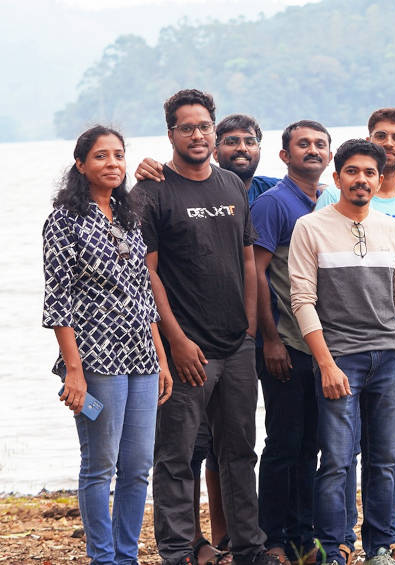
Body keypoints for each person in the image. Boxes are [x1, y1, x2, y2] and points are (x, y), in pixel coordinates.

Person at [132, 89, 279, 565]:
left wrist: (252, 329)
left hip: (236, 346)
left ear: (212, 131)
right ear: (171, 133)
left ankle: (248, 548)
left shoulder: (232, 186)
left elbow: (245, 257)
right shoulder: (151, 192)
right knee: (175, 457)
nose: (197, 135)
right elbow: (147, 272)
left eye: (203, 127)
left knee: (239, 452)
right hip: (187, 349)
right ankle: (178, 551)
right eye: (186, 127)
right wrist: (175, 341)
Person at [288, 138, 395, 565]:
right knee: (336, 459)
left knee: (385, 459)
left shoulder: (392, 231)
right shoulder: (310, 228)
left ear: (382, 178)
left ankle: (380, 547)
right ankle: (334, 547)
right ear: (337, 178)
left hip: (390, 357)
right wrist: (326, 363)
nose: (362, 179)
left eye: (370, 172)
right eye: (353, 171)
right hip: (340, 359)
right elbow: (302, 300)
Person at [43, 125, 172, 565]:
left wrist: (160, 356)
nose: (113, 163)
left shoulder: (128, 215)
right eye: (101, 156)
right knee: (99, 465)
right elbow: (57, 300)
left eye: (119, 155)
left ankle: (126, 555)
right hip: (96, 357)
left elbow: (143, 292)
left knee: (137, 467)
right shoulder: (63, 219)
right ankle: (103, 558)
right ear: (81, 165)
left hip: (141, 353)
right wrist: (73, 370)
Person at [250, 120, 333, 563]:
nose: (312, 151)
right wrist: (269, 339)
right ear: (284, 155)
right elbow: (257, 273)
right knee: (283, 443)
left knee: (313, 446)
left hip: (322, 348)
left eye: (320, 145)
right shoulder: (273, 204)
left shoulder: (329, 204)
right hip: (284, 344)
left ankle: (305, 536)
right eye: (303, 144)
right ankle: (273, 538)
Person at [135, 113, 280, 202]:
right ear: (215, 153)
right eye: (231, 142)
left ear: (259, 150)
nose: (242, 148)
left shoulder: (274, 191)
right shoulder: (195, 192)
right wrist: (150, 171)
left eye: (250, 142)